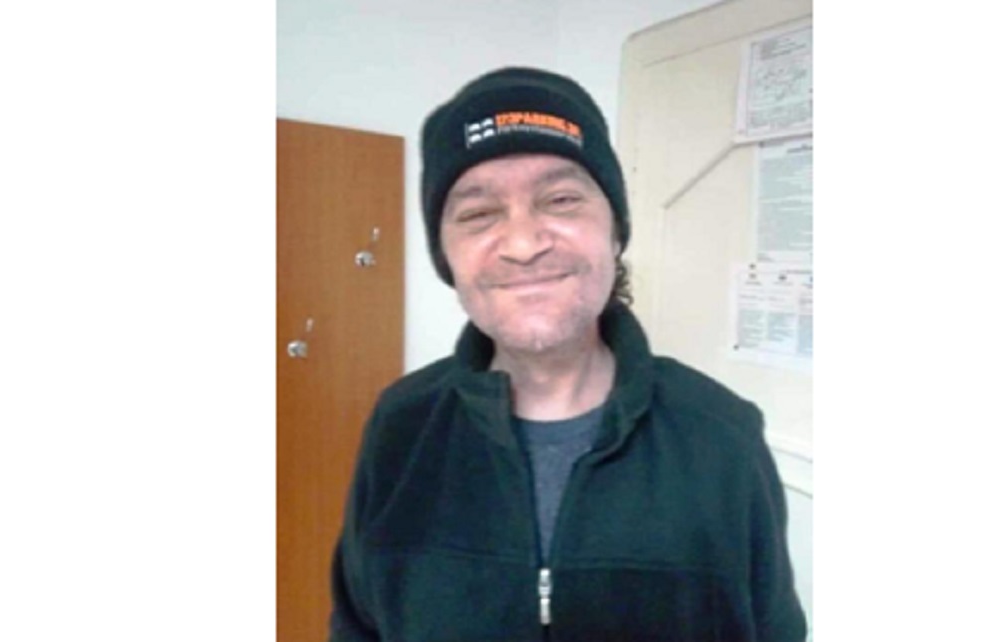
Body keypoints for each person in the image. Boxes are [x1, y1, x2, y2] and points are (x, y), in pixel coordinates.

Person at [329, 67, 806, 641]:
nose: (524, 244)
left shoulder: (721, 433)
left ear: (614, 232)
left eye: (560, 200)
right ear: (446, 257)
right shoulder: (401, 424)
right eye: (478, 214)